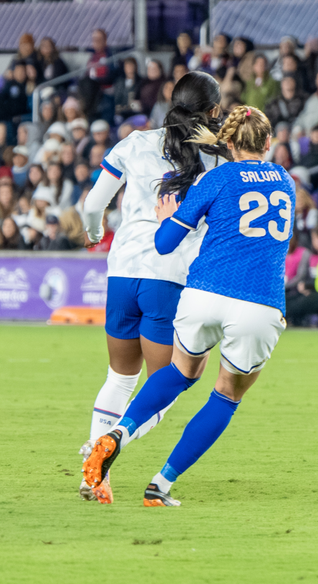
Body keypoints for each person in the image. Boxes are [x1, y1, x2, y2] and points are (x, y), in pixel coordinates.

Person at [82, 105, 293, 507]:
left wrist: (168, 218)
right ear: (268, 143)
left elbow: (164, 244)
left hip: (202, 294)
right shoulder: (285, 181)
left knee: (181, 371)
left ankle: (116, 434)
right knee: (226, 394)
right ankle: (160, 484)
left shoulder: (215, 178)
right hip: (258, 303)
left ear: (228, 143)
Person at [78, 72, 230, 504]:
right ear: (213, 111)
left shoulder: (134, 142)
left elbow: (93, 204)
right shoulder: (218, 159)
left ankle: (94, 474)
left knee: (119, 377)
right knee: (165, 386)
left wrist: (93, 233)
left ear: (171, 98)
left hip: (123, 271)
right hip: (171, 276)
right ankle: (103, 453)